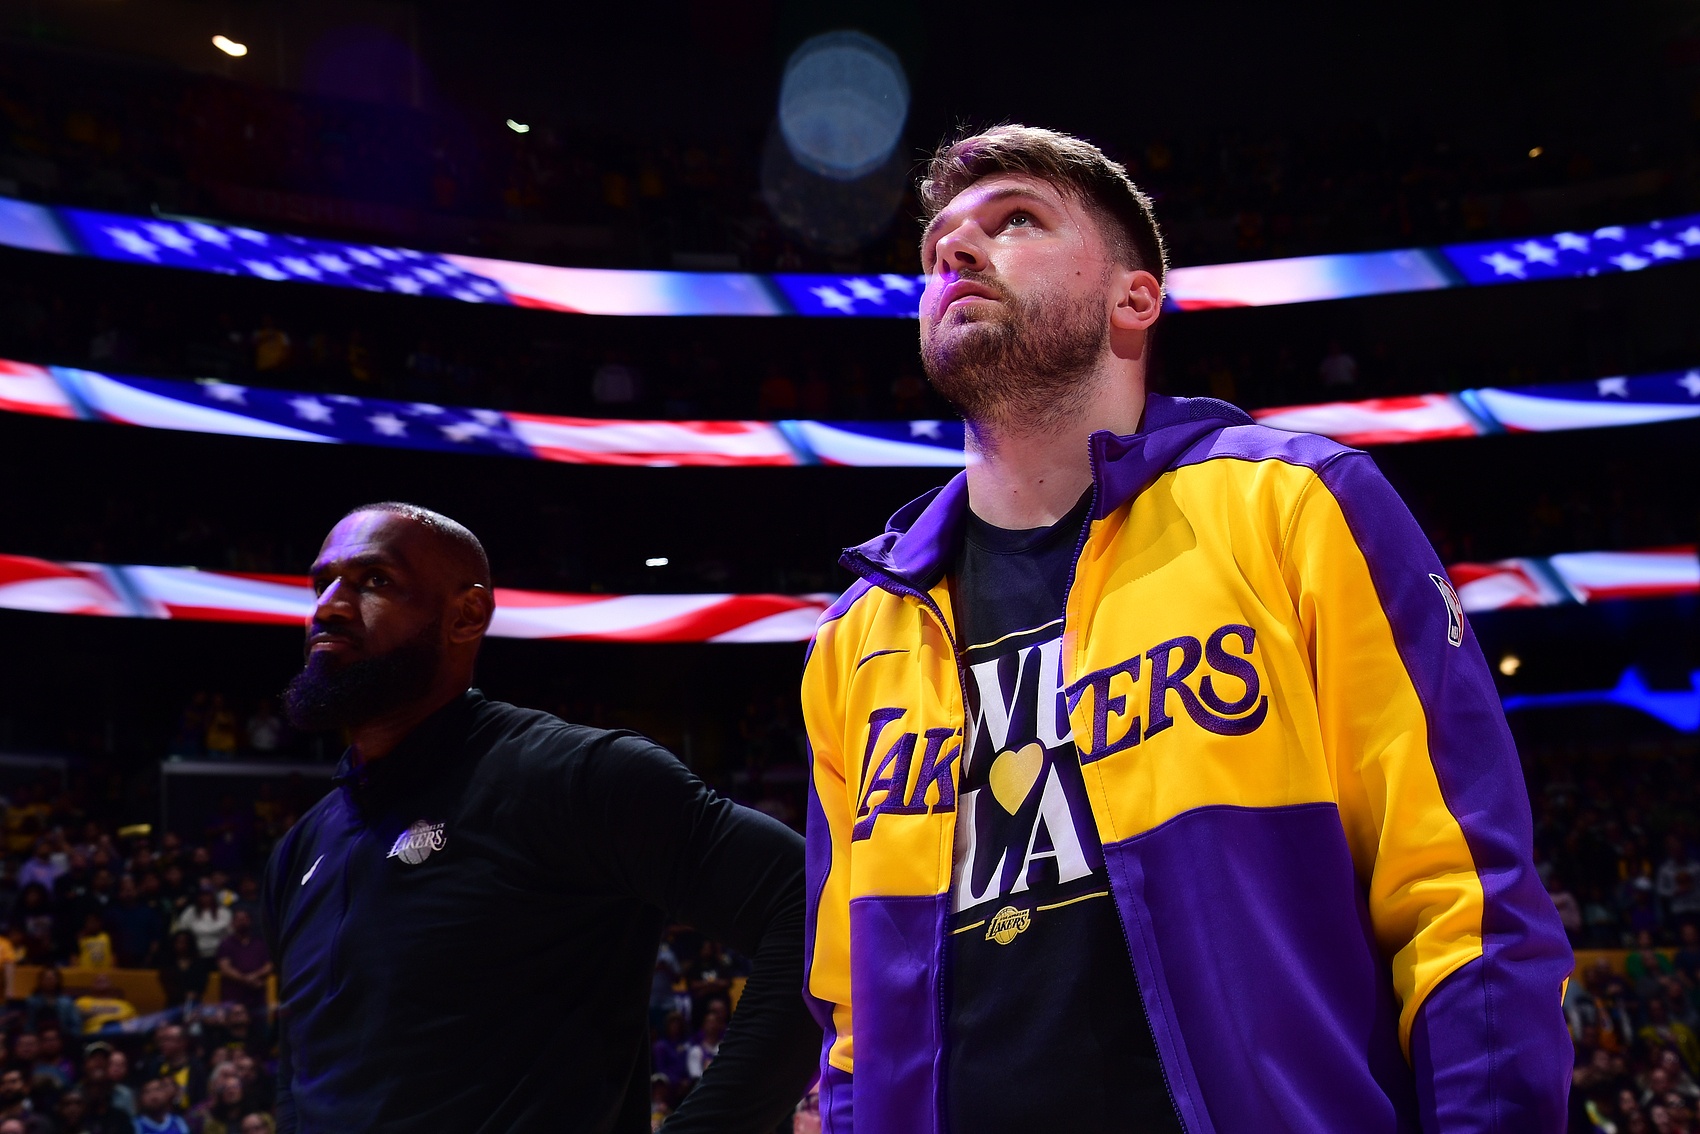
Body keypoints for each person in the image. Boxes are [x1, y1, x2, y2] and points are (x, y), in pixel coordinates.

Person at [800, 125, 1574, 1133]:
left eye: (1017, 220)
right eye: (937, 242)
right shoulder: (857, 636)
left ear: (1134, 299)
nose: (955, 248)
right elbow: (851, 1023)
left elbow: (1463, 896)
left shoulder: (1296, 504)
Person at [260, 502, 817, 1131]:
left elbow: (806, 904)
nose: (329, 607)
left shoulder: (570, 775)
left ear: (466, 615)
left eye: (375, 581)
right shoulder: (299, 849)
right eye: (322, 583)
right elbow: (301, 1067)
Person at [212, 912, 269, 1019]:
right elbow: (225, 968)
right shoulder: (226, 944)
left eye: (244, 919)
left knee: (261, 1028)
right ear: (232, 923)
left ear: (250, 921)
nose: (242, 922)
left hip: (257, 999)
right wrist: (246, 979)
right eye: (238, 919)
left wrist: (255, 975)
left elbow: (269, 965)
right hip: (232, 999)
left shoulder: (260, 943)